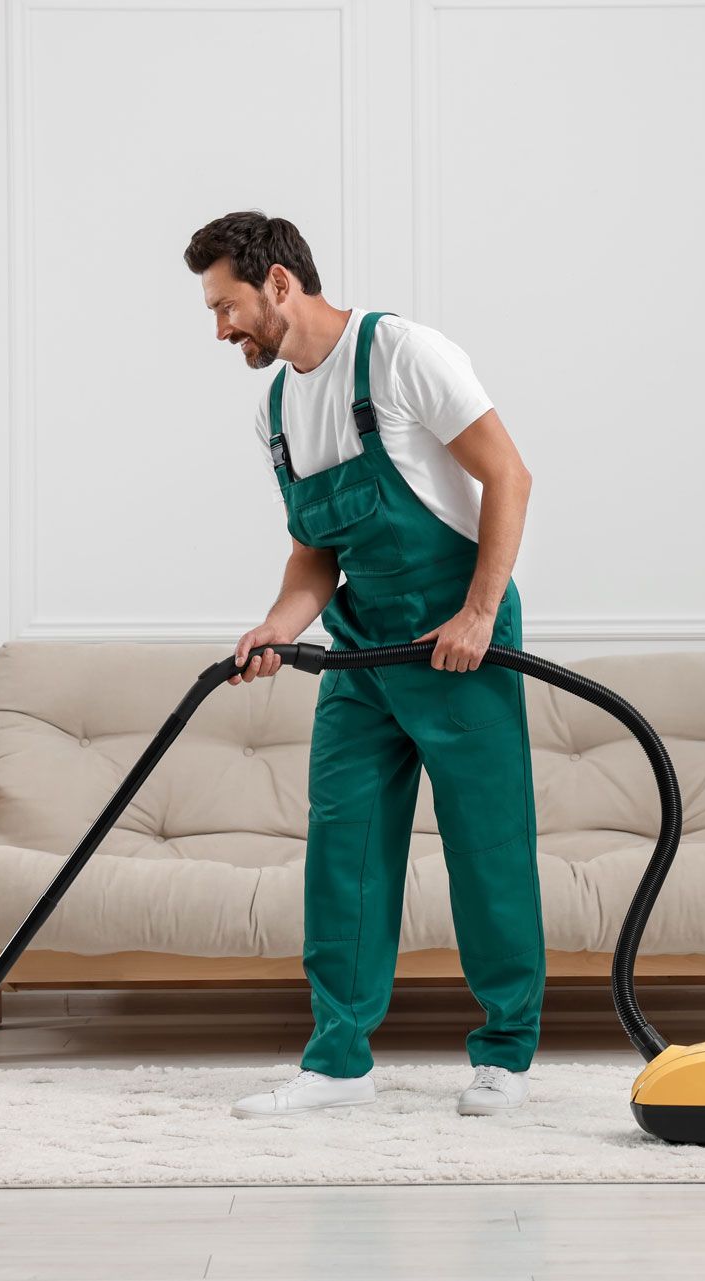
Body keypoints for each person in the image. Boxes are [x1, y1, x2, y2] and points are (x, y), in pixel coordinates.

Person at [183, 212, 542, 1119]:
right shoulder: (275, 406)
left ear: (278, 285)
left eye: (226, 306)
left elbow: (509, 475)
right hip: (362, 648)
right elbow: (316, 553)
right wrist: (275, 624)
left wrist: (478, 612)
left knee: (486, 848)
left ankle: (505, 1052)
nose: (220, 328)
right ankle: (338, 1061)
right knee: (343, 848)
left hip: (461, 637)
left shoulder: (403, 354)